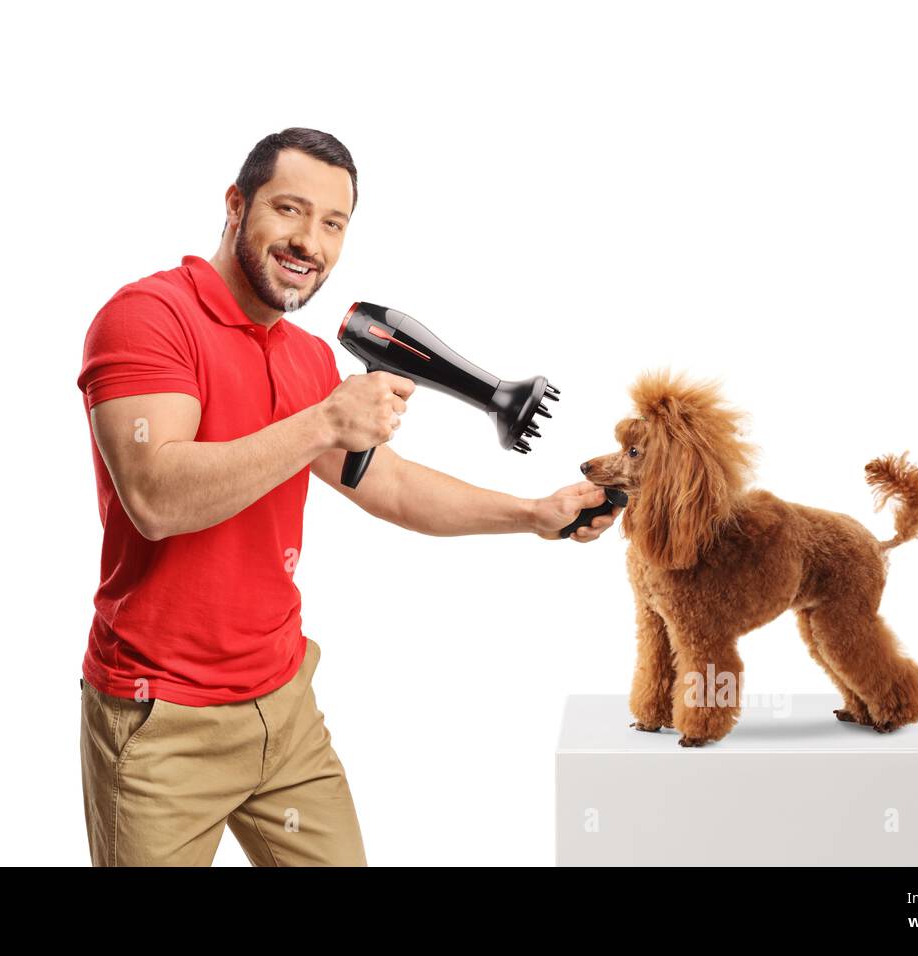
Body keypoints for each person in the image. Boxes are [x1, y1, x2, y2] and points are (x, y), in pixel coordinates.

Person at [76, 127, 621, 866]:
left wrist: (532, 516)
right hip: (159, 722)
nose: (309, 241)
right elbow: (156, 497)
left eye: (333, 223)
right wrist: (327, 419)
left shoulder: (306, 357)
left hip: (283, 704)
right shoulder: (149, 318)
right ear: (236, 206)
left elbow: (385, 483)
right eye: (290, 211)